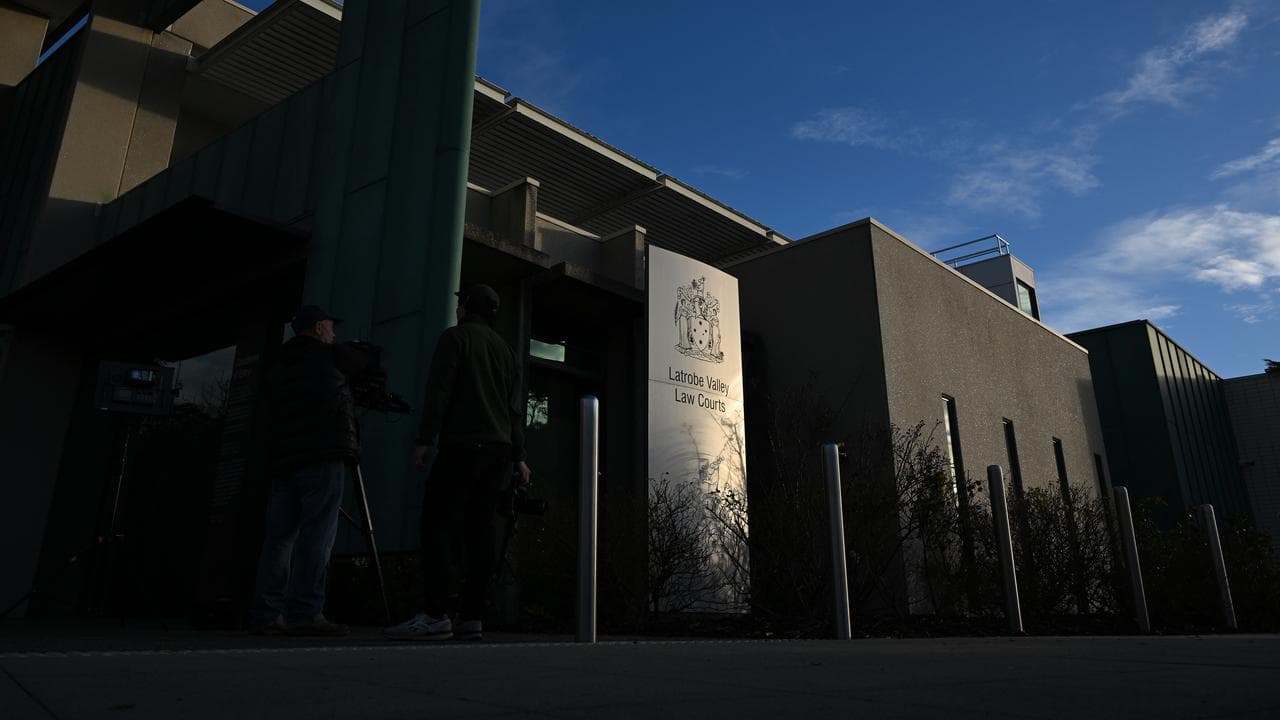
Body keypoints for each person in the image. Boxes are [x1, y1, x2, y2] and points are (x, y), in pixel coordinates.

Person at [385, 284, 531, 641]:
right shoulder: (507, 351)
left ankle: (436, 614)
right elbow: (514, 410)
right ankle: (471, 616)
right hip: (498, 453)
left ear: (465, 307)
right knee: (482, 531)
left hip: (463, 446)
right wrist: (519, 456)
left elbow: (440, 389)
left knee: (438, 526)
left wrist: (425, 438)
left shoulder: (455, 339)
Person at [248, 305, 357, 636]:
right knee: (317, 536)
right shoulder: (331, 358)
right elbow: (366, 366)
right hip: (321, 456)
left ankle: (266, 614)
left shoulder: (279, 365)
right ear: (320, 327)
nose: (334, 333)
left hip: (284, 460)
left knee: (278, 539)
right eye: (331, 327)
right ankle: (305, 612)